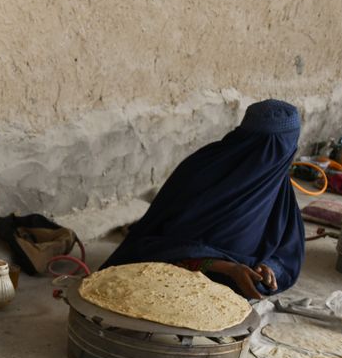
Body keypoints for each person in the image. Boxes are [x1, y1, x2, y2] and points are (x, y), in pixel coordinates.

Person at [100, 99, 306, 299]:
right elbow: (156, 246)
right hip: (182, 273)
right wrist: (225, 268)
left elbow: (289, 251)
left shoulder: (277, 187)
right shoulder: (202, 170)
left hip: (238, 274)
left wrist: (269, 268)